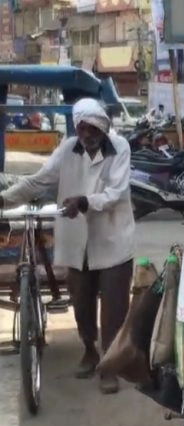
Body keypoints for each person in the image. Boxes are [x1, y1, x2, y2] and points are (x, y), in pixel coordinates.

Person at [0, 98, 135, 394]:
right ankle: (89, 350)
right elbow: (38, 181)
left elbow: (116, 191)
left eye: (95, 129)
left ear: (105, 128)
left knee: (114, 308)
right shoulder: (67, 149)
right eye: (83, 129)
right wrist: (6, 199)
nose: (88, 136)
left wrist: (85, 201)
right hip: (77, 241)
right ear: (77, 128)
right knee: (82, 305)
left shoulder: (119, 147)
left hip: (113, 239)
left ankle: (109, 367)